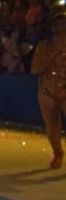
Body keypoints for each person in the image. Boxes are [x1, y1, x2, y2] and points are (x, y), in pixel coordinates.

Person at [31, 9, 66, 169]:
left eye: (62, 25)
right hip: (47, 90)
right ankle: (58, 153)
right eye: (56, 25)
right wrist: (50, 57)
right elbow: (34, 69)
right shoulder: (44, 46)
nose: (59, 28)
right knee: (52, 126)